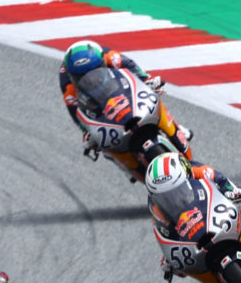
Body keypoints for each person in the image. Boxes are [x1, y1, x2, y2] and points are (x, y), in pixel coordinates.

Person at [143, 152, 241, 283]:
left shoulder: (199, 171)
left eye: (176, 190)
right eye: (164, 196)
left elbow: (222, 180)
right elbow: (165, 230)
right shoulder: (156, 208)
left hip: (212, 207)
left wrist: (234, 193)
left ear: (187, 176)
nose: (172, 198)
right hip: (193, 233)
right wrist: (170, 257)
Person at [60, 39, 193, 182]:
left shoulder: (109, 56)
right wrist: (87, 133)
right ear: (71, 76)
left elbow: (130, 65)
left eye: (95, 72)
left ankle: (176, 127)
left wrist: (146, 80)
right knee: (105, 148)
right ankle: (124, 164)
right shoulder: (68, 88)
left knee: (152, 100)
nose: (92, 80)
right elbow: (77, 115)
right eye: (82, 78)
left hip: (117, 87)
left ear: (102, 63)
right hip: (98, 106)